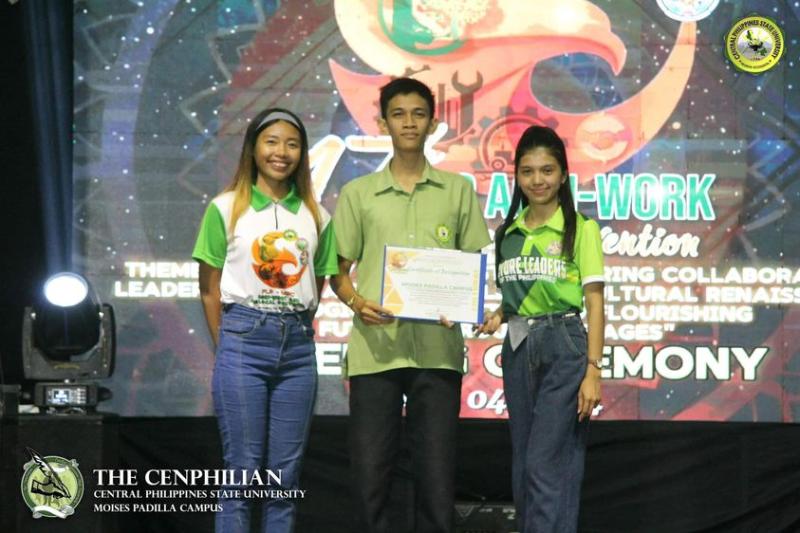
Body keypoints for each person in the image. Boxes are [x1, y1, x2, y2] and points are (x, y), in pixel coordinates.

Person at [331, 77, 491, 533]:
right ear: (383, 122)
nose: (408, 123)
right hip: (374, 352)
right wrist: (357, 302)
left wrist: (459, 301)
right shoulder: (358, 194)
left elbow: (472, 264)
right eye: (398, 114)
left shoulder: (457, 190)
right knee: (370, 480)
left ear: (433, 123)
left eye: (418, 114)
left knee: (437, 483)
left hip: (437, 351)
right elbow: (338, 272)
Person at [193, 108, 338, 533]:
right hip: (241, 342)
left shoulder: (317, 215)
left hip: (297, 349)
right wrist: (229, 344)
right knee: (242, 470)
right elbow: (209, 287)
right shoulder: (225, 208)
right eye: (271, 141)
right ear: (254, 148)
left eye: (292, 144)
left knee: (284, 478)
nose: (281, 152)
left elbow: (320, 282)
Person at [475, 125, 605, 532]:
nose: (538, 180)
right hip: (517, 344)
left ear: (563, 174)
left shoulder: (580, 229)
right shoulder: (507, 234)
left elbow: (596, 303)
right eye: (528, 171)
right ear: (516, 176)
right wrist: (497, 315)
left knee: (545, 460)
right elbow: (516, 297)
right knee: (524, 462)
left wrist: (593, 370)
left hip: (564, 344)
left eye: (547, 170)